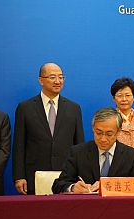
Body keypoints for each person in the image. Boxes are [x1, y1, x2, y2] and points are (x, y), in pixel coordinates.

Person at [13, 63, 84, 195]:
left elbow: (79, 145)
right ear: (41, 80)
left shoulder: (74, 108)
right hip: (34, 176)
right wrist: (19, 176)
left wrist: (80, 175)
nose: (58, 81)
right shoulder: (25, 108)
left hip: (66, 178)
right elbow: (19, 145)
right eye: (52, 77)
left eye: (61, 77)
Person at [52, 107, 134, 193]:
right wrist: (72, 187)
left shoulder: (131, 156)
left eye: (109, 134)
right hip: (86, 207)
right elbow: (57, 185)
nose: (103, 139)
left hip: (118, 207)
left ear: (118, 132)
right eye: (98, 133)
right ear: (93, 129)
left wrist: (107, 186)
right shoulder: (78, 153)